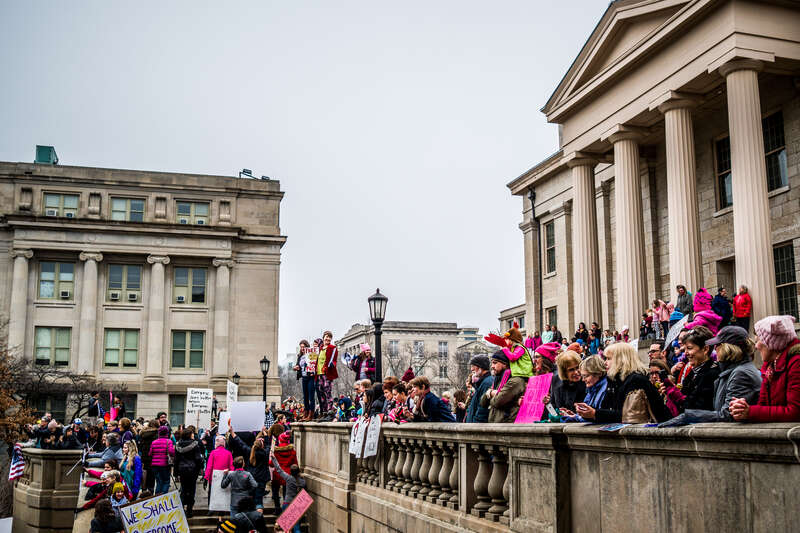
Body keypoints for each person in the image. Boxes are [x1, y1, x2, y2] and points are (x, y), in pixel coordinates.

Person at [660, 327, 761, 426]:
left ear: (728, 348)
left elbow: (727, 415)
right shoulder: (730, 371)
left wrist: (688, 416)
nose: (715, 348)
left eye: (717, 345)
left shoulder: (741, 373)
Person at [574, 342, 670, 423]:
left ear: (621, 359)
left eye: (608, 358)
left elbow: (630, 416)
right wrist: (588, 414)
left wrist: (595, 414)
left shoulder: (635, 380)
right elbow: (610, 410)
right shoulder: (614, 381)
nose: (605, 363)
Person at [731, 315, 800, 422]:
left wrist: (750, 412)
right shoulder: (770, 366)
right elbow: (763, 405)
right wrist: (742, 409)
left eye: (758, 340)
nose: (756, 346)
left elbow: (795, 412)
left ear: (772, 343)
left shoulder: (797, 363)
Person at [659, 326, 720, 413]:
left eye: (690, 348)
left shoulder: (713, 374)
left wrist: (676, 394)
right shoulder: (691, 374)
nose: (686, 353)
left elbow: (698, 409)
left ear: (705, 349)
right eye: (685, 349)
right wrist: (669, 393)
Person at [229, 428, 270, 510]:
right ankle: (258, 517)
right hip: (262, 479)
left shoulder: (249, 451)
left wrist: (232, 433)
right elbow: (269, 444)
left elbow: (241, 443)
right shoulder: (265, 453)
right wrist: (265, 433)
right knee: (259, 501)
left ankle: (250, 516)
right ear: (262, 445)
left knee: (250, 499)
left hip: (251, 478)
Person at [480, 351, 526, 423]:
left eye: (495, 363)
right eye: (491, 363)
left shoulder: (515, 380)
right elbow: (483, 402)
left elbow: (497, 402)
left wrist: (490, 393)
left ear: (505, 364)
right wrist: (492, 393)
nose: (492, 366)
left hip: (507, 426)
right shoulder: (498, 380)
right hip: (496, 424)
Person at [560, 355, 609, 422]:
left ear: (598, 373)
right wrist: (575, 416)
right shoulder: (592, 389)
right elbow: (589, 415)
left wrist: (579, 417)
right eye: (582, 376)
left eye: (586, 376)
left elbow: (601, 417)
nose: (583, 380)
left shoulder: (606, 388)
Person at [271, 449, 306, 533]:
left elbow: (279, 470)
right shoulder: (303, 481)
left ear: (291, 471)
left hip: (287, 503)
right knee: (296, 527)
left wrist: (274, 459)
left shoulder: (288, 478)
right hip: (297, 504)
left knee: (286, 527)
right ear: (298, 471)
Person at [174, 428, 204, 517]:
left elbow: (176, 460)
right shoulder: (195, 444)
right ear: (189, 435)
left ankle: (182, 508)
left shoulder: (178, 445)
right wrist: (201, 465)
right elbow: (198, 459)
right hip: (192, 470)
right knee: (191, 489)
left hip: (182, 469)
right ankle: (189, 510)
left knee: (183, 488)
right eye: (192, 434)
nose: (193, 435)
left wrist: (175, 473)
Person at [269, 431, 298, 515]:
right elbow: (295, 463)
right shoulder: (292, 451)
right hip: (288, 474)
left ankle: (277, 509)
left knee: (275, 491)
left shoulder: (276, 451)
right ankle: (286, 510)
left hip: (278, 474)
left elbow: (271, 464)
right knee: (286, 493)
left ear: (280, 440)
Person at [315, 331, 339, 417]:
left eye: (329, 337)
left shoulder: (333, 348)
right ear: (323, 338)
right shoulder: (319, 349)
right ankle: (324, 410)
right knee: (321, 391)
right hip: (318, 373)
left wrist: (332, 364)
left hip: (327, 373)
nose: (327, 338)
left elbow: (334, 360)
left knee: (327, 390)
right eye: (326, 337)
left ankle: (330, 409)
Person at [464, 354, 492, 423]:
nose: (471, 369)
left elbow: (482, 410)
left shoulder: (487, 383)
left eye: (473, 366)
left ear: (480, 367)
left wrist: (474, 426)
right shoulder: (483, 382)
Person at [205, 435, 234, 501]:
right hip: (225, 478)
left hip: (213, 478)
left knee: (212, 494)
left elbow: (209, 467)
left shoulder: (213, 453)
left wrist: (206, 478)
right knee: (223, 495)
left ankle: (211, 508)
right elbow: (231, 467)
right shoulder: (229, 453)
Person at [294, 340, 316, 422]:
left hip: (310, 377)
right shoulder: (300, 356)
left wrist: (312, 371)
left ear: (307, 347)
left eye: (304, 347)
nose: (302, 348)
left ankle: (311, 413)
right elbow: (298, 365)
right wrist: (295, 367)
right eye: (301, 347)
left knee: (311, 397)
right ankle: (306, 413)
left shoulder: (310, 354)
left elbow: (313, 364)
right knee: (305, 397)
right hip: (304, 377)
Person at [150, 425, 175, 495]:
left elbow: (150, 453)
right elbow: (171, 452)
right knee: (166, 481)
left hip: (155, 465)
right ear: (167, 433)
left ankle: (157, 497)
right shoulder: (169, 441)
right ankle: (163, 497)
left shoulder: (154, 442)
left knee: (159, 481)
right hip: (165, 465)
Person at [138, 419, 158, 494]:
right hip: (152, 457)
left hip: (144, 457)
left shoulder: (143, 433)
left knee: (144, 473)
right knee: (151, 476)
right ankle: (150, 491)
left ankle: (144, 490)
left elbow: (141, 445)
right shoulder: (156, 434)